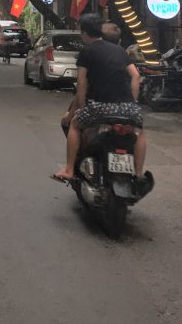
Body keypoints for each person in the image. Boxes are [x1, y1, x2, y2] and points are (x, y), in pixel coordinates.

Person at [55, 13, 149, 193]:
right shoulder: (119, 50)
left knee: (74, 125)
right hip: (128, 108)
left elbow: (82, 83)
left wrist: (78, 110)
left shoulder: (87, 51)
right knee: (139, 132)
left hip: (100, 108)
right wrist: (133, 101)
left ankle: (68, 169)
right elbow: (136, 75)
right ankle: (137, 174)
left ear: (83, 33)